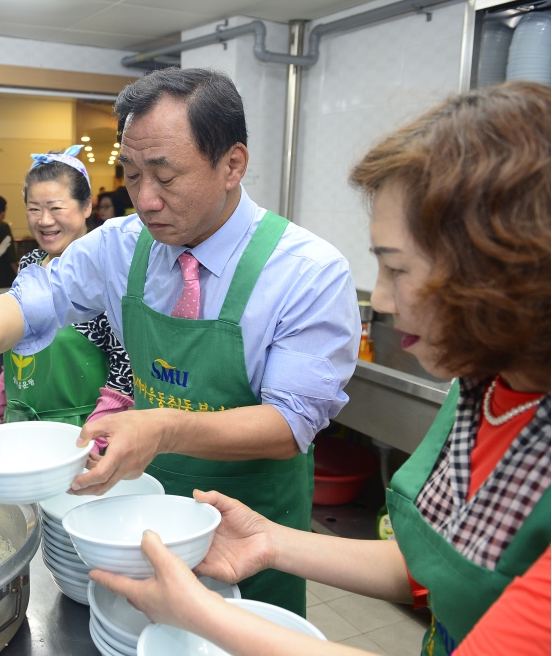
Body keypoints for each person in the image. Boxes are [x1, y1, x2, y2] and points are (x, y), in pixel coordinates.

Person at [91, 82, 551, 656]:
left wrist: (201, 615)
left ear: (513, 271)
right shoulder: (485, 389)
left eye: (398, 269)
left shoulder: (302, 269)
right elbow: (432, 561)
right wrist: (271, 543)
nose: (381, 301)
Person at [0, 68, 360, 615]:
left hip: (250, 525)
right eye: (132, 176)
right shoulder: (121, 245)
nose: (146, 199)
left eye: (165, 175)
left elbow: (291, 421)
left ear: (232, 164)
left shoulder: (307, 271)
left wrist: (163, 426)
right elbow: (38, 293)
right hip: (142, 512)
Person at [0, 147, 134, 431]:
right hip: (19, 426)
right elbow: (20, 345)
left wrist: (99, 433)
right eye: (34, 209)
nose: (44, 221)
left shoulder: (108, 269)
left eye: (56, 208)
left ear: (87, 206)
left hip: (81, 432)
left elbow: (126, 364)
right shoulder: (30, 263)